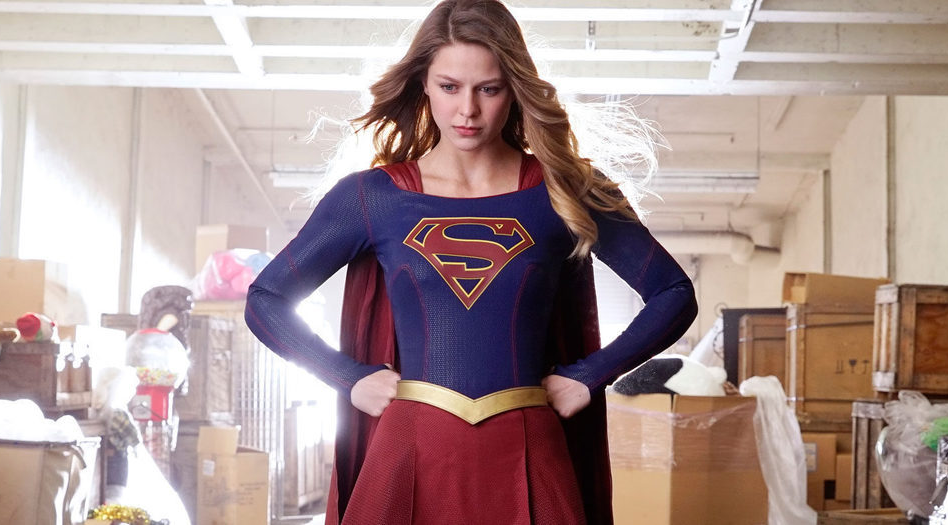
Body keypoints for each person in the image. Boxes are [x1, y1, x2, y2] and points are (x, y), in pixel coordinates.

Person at [245, 0, 698, 523]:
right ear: (423, 83)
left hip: (529, 447)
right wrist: (347, 376)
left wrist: (590, 375)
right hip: (408, 450)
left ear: (515, 88)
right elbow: (265, 299)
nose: (467, 111)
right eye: (449, 86)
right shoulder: (372, 197)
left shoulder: (567, 190)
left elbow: (674, 293)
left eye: (489, 88)